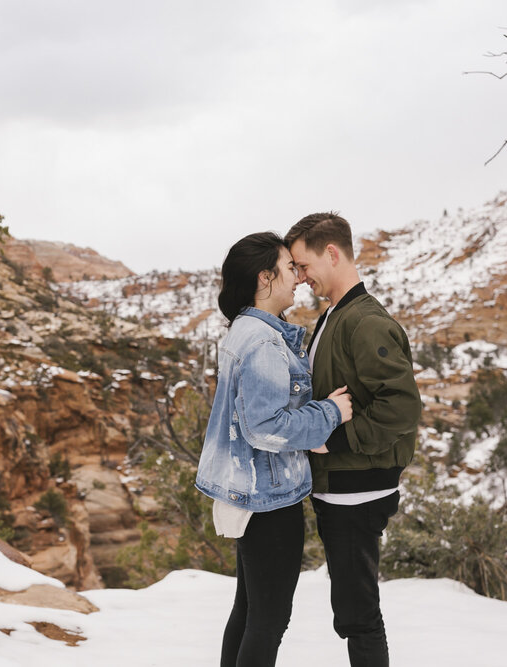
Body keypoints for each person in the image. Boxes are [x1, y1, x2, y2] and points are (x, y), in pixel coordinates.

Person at [195, 231, 353, 667]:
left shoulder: (245, 330)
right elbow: (264, 426)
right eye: (289, 269)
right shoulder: (263, 341)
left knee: (248, 611)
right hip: (268, 500)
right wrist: (329, 414)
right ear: (265, 279)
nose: (298, 278)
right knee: (269, 619)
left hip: (249, 492)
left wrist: (308, 433)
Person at [285, 212, 422, 667]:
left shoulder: (363, 322)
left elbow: (401, 408)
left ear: (332, 253)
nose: (301, 278)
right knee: (352, 608)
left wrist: (334, 442)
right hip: (342, 487)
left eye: (304, 266)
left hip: (357, 491)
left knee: (358, 613)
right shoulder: (332, 317)